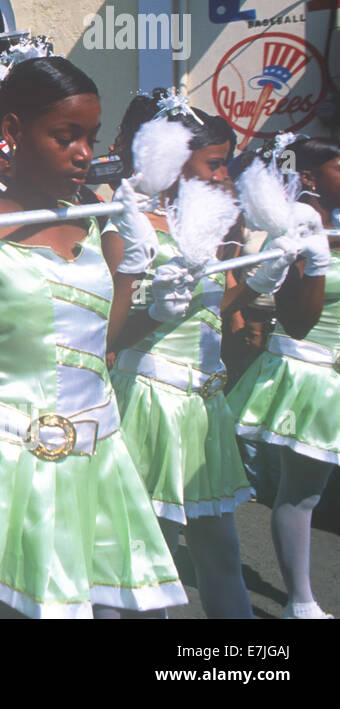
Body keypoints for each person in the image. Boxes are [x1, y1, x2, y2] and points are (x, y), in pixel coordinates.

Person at [0, 54, 185, 617]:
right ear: (14, 130)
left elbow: (100, 344)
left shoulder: (98, 214)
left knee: (119, 605)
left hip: (98, 452)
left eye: (91, 137)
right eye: (66, 136)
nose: (84, 154)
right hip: (7, 457)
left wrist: (145, 289)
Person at [103, 95, 253, 618]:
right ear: (177, 158)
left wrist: (256, 281)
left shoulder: (205, 224)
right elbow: (109, 333)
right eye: (215, 163)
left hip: (204, 403)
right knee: (147, 557)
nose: (223, 175)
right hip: (150, 400)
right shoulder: (128, 221)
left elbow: (209, 312)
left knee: (221, 552)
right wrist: (156, 310)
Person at [227, 136, 340, 618]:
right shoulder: (296, 225)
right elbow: (295, 321)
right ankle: (301, 601)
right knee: (303, 492)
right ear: (309, 176)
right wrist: (315, 258)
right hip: (313, 371)